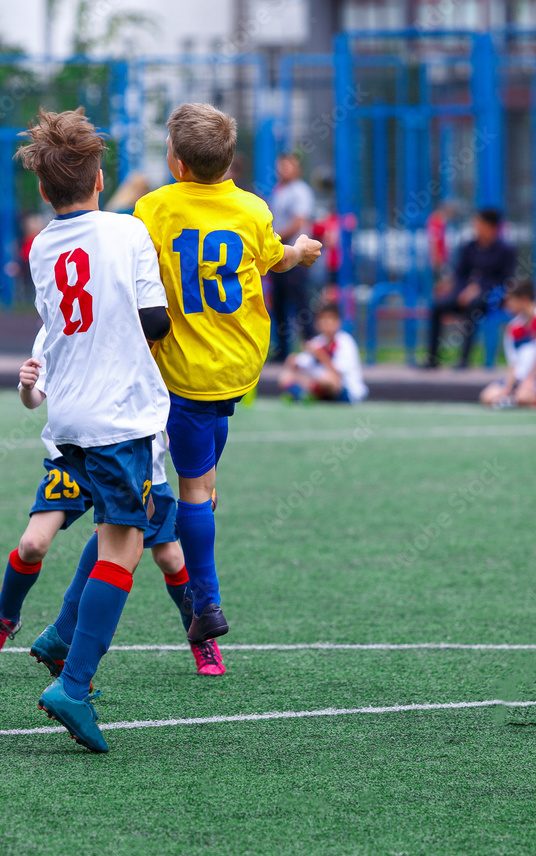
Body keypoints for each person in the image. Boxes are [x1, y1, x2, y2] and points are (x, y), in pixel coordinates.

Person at [133, 103, 321, 648]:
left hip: (185, 372)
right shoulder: (252, 209)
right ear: (229, 158)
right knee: (207, 481)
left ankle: (207, 600)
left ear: (177, 162)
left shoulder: (154, 207)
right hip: (239, 367)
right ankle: (198, 510)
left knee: (194, 489)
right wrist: (300, 250)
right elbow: (273, 259)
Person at [14, 107, 172, 752]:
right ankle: (73, 686)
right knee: (124, 549)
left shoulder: (41, 246)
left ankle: (56, 637)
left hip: (70, 415)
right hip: (119, 415)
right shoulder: (129, 232)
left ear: (45, 191)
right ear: (101, 178)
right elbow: (154, 322)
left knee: (123, 522)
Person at [0, 328, 224, 678]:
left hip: (134, 461)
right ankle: (6, 619)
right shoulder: (60, 317)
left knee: (168, 557)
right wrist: (28, 387)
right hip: (73, 456)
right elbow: (35, 397)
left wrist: (200, 484)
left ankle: (201, 636)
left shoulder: (145, 322)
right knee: (32, 544)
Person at [427, 208, 516, 369]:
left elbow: (503, 279)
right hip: (465, 294)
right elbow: (460, 274)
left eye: (478, 223)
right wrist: (462, 291)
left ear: (490, 226)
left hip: (491, 297)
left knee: (473, 305)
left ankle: (464, 360)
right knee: (437, 306)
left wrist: (478, 289)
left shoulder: (506, 250)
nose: (475, 226)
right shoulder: (469, 247)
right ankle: (432, 360)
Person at [268, 152, 316, 361]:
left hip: (297, 257)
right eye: (282, 165)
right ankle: (283, 350)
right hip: (280, 254)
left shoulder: (300, 191)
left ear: (298, 169)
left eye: (289, 165)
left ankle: (312, 347)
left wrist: (274, 236)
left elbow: (299, 222)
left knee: (300, 303)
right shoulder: (279, 191)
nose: (284, 169)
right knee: (279, 304)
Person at [279, 302, 368, 404]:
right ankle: (304, 396)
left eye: (330, 320)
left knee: (327, 380)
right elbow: (302, 363)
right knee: (286, 375)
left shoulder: (345, 342)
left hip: (346, 391)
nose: (326, 324)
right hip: (320, 384)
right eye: (323, 320)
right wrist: (294, 362)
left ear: (338, 322)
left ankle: (301, 395)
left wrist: (320, 355)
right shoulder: (317, 341)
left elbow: (337, 374)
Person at [479, 280, 536, 409]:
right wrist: (507, 388)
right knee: (487, 396)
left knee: (523, 396)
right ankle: (515, 400)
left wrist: (529, 380)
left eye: (511, 300)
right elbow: (513, 363)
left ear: (524, 299)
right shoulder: (514, 327)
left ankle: (518, 400)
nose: (508, 305)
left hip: (532, 379)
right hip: (521, 379)